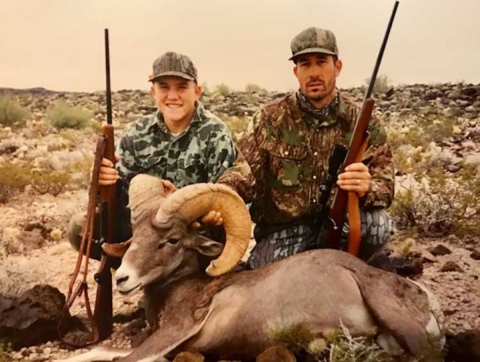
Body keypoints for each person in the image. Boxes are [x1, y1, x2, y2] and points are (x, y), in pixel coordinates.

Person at [218, 27, 396, 270]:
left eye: (321, 62)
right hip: (286, 229)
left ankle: (361, 270)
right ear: (296, 71)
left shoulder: (364, 123)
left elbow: (386, 187)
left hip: (341, 224)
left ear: (338, 67)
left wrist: (367, 188)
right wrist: (220, 197)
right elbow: (243, 173)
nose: (313, 72)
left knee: (379, 226)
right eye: (305, 64)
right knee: (264, 283)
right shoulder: (270, 119)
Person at [67, 51, 232, 259]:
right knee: (80, 227)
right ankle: (138, 274)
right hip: (145, 233)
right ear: (153, 92)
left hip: (191, 235)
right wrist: (102, 184)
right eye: (164, 87)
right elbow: (117, 202)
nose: (172, 96)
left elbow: (226, 197)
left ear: (197, 91)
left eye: (182, 87)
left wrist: (186, 205)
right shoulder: (136, 133)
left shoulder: (216, 134)